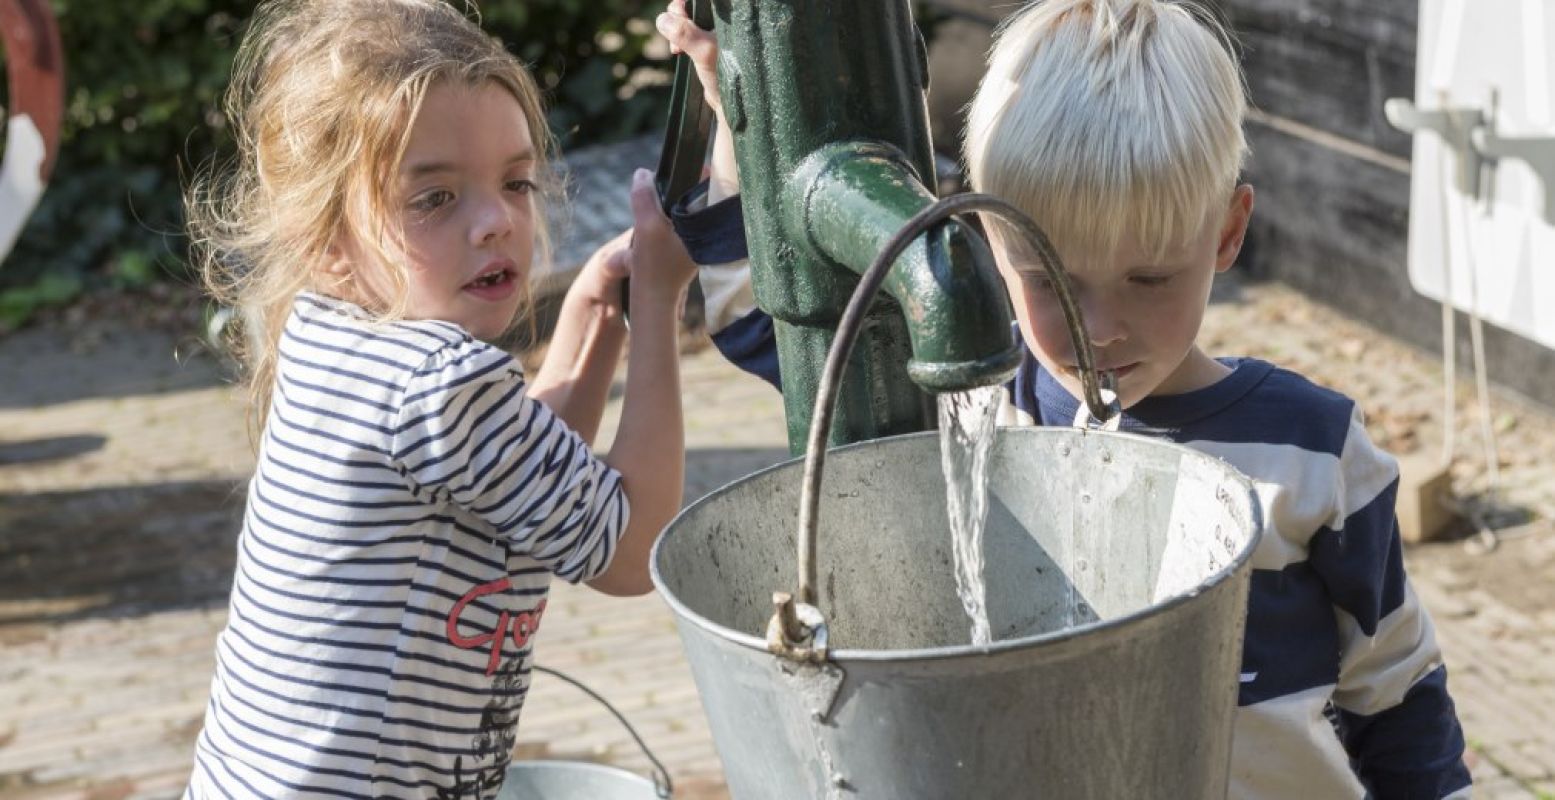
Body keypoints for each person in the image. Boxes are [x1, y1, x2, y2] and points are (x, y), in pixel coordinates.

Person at [656, 0, 1472, 796]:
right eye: (1048, 280)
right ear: (988, 246)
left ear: (1226, 233)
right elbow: (770, 329)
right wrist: (742, 113)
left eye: (1148, 277)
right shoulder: (979, 411)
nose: (1101, 329)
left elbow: (1395, 691)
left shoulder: (1312, 450)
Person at [182, 1, 697, 796]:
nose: (495, 222)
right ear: (324, 240)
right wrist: (657, 307)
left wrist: (597, 310)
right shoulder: (436, 378)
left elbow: (531, 475)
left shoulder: (333, 341)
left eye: (516, 181)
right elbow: (632, 554)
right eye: (433, 199)